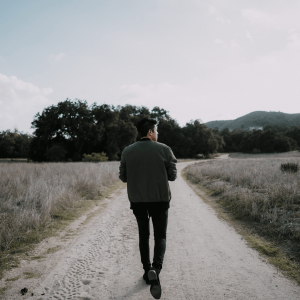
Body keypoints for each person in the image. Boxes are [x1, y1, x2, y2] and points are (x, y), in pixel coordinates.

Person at [119, 117, 177, 299]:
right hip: (159, 200)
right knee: (160, 236)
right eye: (156, 131)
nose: (157, 134)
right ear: (150, 132)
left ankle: (147, 270)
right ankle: (156, 270)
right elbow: (173, 176)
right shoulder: (164, 149)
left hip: (138, 201)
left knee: (144, 235)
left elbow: (123, 177)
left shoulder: (127, 151)